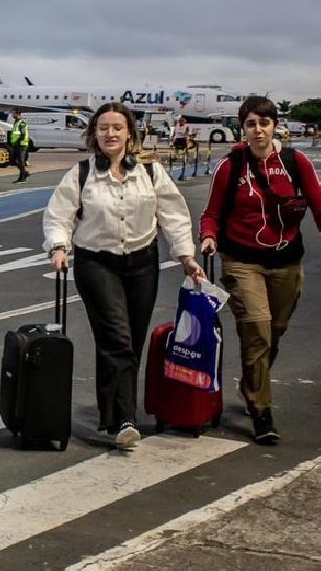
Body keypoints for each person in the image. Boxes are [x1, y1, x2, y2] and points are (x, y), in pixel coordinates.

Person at [43, 102, 204, 450]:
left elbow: (173, 215)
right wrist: (58, 246)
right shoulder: (81, 173)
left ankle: (109, 415)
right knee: (117, 338)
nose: (110, 134)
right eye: (103, 128)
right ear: (94, 134)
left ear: (130, 132)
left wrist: (186, 256)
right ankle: (126, 420)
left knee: (128, 340)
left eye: (117, 127)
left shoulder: (150, 172)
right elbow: (59, 215)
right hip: (96, 264)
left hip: (142, 263)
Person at [199, 96, 321, 444]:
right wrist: (208, 236)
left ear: (274, 126)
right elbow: (211, 213)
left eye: (263, 123)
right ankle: (261, 411)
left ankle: (253, 382)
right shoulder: (230, 166)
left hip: (286, 261)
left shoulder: (296, 163)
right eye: (251, 124)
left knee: (275, 332)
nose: (258, 130)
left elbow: (318, 204)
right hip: (242, 261)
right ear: (243, 128)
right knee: (257, 330)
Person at [8, 108, 30, 183]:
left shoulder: (21, 123)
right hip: (17, 145)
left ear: (18, 114)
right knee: (15, 161)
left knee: (20, 161)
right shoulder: (16, 122)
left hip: (22, 145)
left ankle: (22, 178)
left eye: (13, 113)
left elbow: (23, 134)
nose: (12, 114)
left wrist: (17, 141)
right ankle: (24, 174)